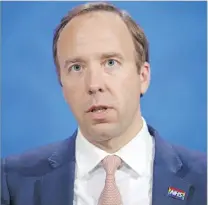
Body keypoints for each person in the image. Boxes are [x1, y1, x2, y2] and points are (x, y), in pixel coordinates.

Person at [1, 2, 206, 205]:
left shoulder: (203, 178)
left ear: (143, 77)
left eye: (110, 63)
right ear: (62, 85)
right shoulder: (12, 181)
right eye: (76, 67)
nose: (94, 84)